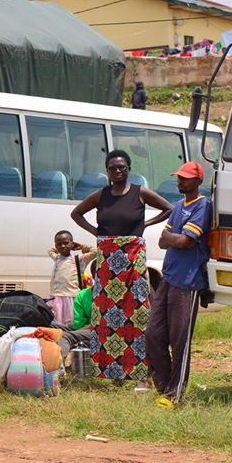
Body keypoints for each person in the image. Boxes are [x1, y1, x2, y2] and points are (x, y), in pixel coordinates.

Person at [69, 149, 172, 382]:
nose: (117, 171)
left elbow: (169, 209)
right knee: (106, 315)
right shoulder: (101, 195)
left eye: (121, 167)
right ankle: (111, 371)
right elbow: (76, 213)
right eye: (113, 168)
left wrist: (146, 224)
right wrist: (97, 233)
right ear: (107, 171)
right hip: (107, 261)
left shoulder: (140, 193)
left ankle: (141, 369)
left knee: (136, 312)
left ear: (129, 169)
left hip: (133, 259)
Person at [146, 161, 213, 409]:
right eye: (179, 177)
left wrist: (178, 239)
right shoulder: (178, 207)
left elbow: (186, 240)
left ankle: (175, 395)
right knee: (153, 334)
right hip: (169, 277)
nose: (180, 181)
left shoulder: (203, 206)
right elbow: (165, 241)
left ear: (197, 181)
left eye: (185, 178)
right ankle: (163, 386)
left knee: (179, 339)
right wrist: (177, 239)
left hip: (189, 281)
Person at [46, 230, 94, 328]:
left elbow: (96, 251)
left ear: (72, 244)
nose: (63, 246)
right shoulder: (57, 258)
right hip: (57, 297)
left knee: (72, 324)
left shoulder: (79, 259)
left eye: (66, 243)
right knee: (58, 325)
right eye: (59, 244)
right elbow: (50, 251)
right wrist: (57, 247)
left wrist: (81, 246)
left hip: (72, 297)